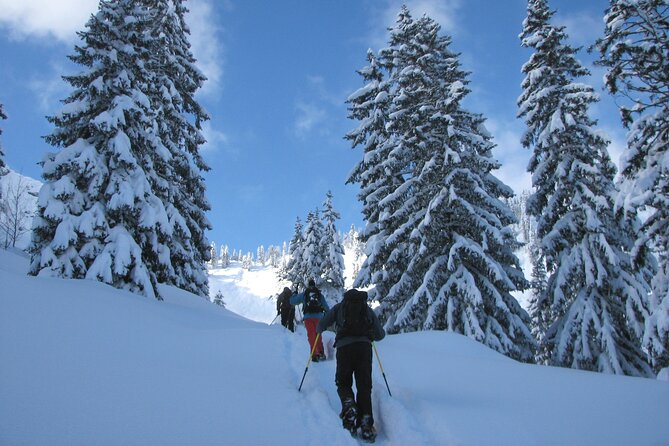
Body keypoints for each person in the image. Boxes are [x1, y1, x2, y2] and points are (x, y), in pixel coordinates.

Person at [317, 288, 385, 443]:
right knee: (364, 385)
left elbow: (321, 325)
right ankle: (366, 424)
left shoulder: (339, 307)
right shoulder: (366, 309)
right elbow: (380, 335)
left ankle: (349, 406)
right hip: (364, 348)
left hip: (344, 348)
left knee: (343, 381)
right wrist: (369, 335)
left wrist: (322, 329)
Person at [290, 279, 329, 362]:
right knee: (318, 335)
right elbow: (326, 307)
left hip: (308, 318)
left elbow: (292, 301)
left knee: (311, 335)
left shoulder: (305, 294)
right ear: (314, 285)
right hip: (319, 318)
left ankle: (314, 354)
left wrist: (294, 294)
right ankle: (321, 353)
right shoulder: (319, 294)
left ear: (308, 285)